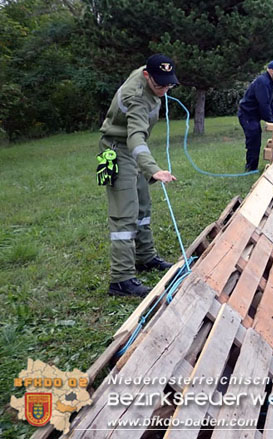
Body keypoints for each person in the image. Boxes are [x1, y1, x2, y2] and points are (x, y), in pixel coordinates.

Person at [98, 54, 178, 297]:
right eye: (159, 85)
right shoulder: (137, 98)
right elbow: (135, 138)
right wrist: (152, 169)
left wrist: (146, 169)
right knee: (125, 214)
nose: (164, 90)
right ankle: (121, 280)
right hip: (113, 151)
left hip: (132, 151)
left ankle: (145, 257)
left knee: (143, 206)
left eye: (168, 84)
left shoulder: (150, 73)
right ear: (146, 76)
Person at [237, 60, 273, 171]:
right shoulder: (262, 82)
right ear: (272, 70)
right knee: (253, 140)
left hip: (253, 115)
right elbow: (263, 103)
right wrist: (269, 119)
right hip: (247, 115)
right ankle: (250, 169)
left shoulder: (268, 82)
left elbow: (269, 102)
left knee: (256, 138)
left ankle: (253, 167)